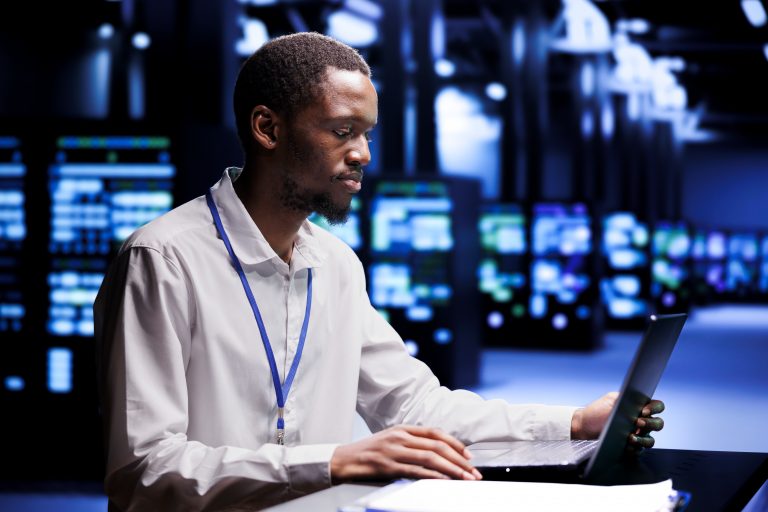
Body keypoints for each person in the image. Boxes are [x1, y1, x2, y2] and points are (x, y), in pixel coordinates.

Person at [94, 32, 664, 511]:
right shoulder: (163, 259)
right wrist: (337, 460)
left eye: (367, 134)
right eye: (343, 131)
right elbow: (144, 469)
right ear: (267, 129)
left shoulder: (336, 264)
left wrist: (574, 422)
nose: (363, 153)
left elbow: (416, 408)